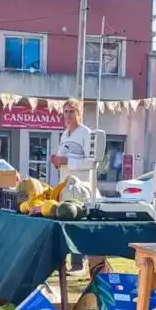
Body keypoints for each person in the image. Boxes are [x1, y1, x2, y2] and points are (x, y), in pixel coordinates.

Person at [50, 102, 92, 272]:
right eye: (65, 111)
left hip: (81, 187)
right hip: (65, 186)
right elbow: (64, 158)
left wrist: (68, 161)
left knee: (77, 222)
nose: (68, 115)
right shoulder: (64, 134)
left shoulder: (86, 133)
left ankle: (78, 262)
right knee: (64, 220)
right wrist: (57, 161)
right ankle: (62, 261)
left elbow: (91, 162)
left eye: (71, 111)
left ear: (79, 113)